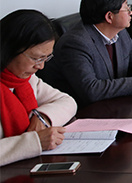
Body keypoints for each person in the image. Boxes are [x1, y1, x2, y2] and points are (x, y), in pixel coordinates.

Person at [38, 0, 132, 107]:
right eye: (126, 8)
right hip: (84, 112)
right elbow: (92, 90)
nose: (131, 12)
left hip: (115, 105)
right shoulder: (75, 43)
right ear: (109, 17)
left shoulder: (121, 34)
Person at [1, 10, 77, 166]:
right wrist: (34, 142)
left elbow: (67, 101)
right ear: (8, 49)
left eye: (45, 58)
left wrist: (42, 117)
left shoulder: (25, 80)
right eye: (36, 58)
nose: (40, 66)